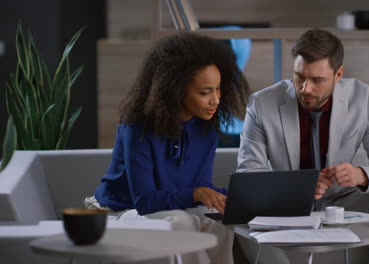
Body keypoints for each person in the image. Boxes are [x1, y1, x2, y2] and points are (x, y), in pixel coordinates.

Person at [236, 28, 369, 264]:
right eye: (300, 76)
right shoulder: (261, 104)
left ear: (338, 74)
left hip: (344, 200)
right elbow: (248, 176)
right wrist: (297, 188)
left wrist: (361, 175)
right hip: (286, 205)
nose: (305, 89)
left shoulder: (362, 98)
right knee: (238, 213)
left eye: (318, 80)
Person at [85, 32, 250, 264]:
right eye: (205, 92)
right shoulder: (137, 127)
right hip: (120, 211)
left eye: (218, 89)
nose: (216, 100)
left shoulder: (206, 128)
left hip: (173, 210)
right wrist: (197, 193)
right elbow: (144, 201)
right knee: (182, 223)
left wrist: (230, 198)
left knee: (219, 225)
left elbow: (200, 187)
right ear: (176, 89)